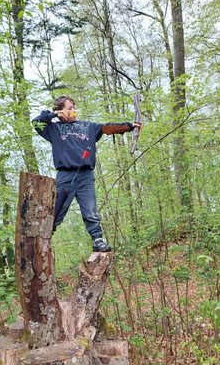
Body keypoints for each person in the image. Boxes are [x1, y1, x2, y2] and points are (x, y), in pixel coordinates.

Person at [32, 95, 142, 252]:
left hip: (85, 177)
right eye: (70, 108)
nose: (74, 110)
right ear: (60, 111)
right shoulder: (53, 129)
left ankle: (98, 240)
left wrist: (131, 126)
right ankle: (43, 242)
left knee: (90, 211)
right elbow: (36, 122)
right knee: (56, 211)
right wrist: (54, 115)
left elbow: (108, 127)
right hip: (65, 176)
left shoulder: (88, 126)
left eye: (74, 107)